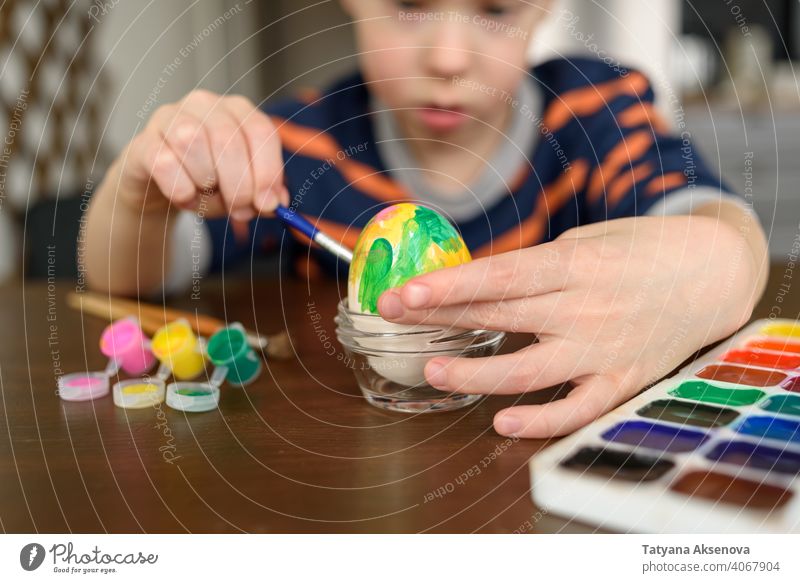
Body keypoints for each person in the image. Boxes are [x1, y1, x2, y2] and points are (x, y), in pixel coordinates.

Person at [84, 0, 768, 438]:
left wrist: (721, 262)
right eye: (410, 4)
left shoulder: (596, 114)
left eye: (495, 8)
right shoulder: (302, 148)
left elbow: (709, 218)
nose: (448, 57)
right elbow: (124, 274)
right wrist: (141, 186)